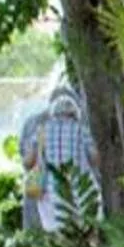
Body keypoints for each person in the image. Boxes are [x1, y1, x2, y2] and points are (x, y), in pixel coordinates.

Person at [19, 84, 98, 232]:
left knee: (54, 233)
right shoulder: (82, 128)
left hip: (48, 192)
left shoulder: (39, 128)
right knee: (85, 232)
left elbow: (27, 162)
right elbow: (95, 159)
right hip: (80, 192)